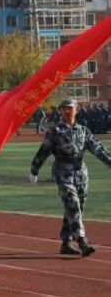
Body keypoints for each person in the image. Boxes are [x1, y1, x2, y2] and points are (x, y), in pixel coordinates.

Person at [30, 97, 111, 256]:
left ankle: (66, 242)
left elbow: (98, 149)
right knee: (72, 203)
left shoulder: (83, 131)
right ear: (60, 111)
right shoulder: (55, 132)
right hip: (63, 171)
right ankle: (81, 240)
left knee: (77, 206)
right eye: (64, 108)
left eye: (70, 108)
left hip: (81, 173)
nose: (67, 111)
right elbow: (43, 151)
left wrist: (109, 161)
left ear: (76, 110)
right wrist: (35, 169)